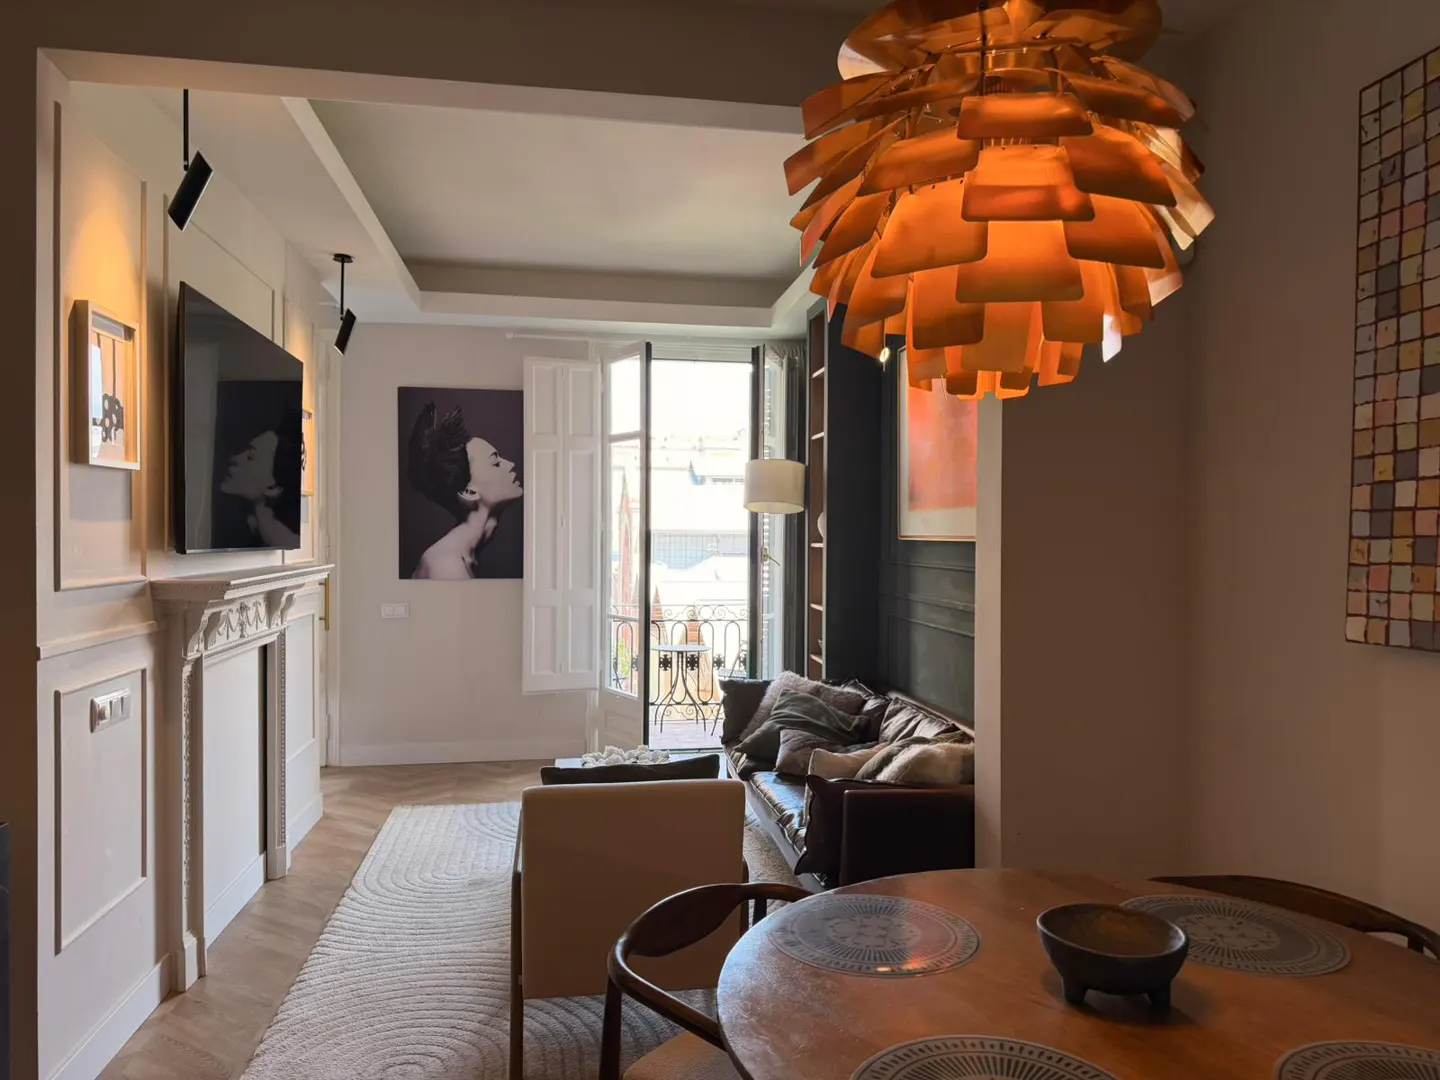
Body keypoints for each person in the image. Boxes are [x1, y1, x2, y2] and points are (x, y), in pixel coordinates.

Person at [408, 402, 523, 579]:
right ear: (469, 492)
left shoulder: (466, 556)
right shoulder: (447, 567)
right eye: (495, 463)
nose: (511, 464)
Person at [219, 406, 303, 549]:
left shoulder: (283, 543)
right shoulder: (251, 531)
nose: (235, 458)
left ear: (273, 488)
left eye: (250, 457)